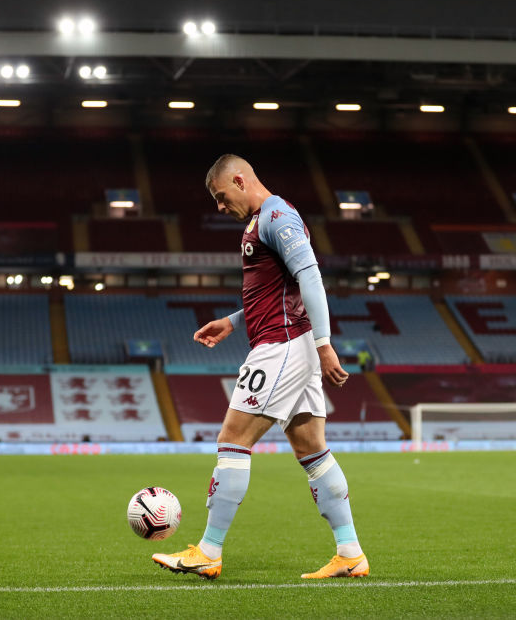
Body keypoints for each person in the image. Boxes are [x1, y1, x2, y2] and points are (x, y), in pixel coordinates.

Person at [152, 154, 367, 580]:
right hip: (291, 342)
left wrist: (325, 345)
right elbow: (275, 291)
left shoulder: (276, 216)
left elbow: (310, 276)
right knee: (313, 452)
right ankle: (350, 552)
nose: (219, 207)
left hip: (283, 347)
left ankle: (209, 551)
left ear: (238, 179)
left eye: (220, 196)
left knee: (233, 439)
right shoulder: (264, 220)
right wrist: (233, 322)